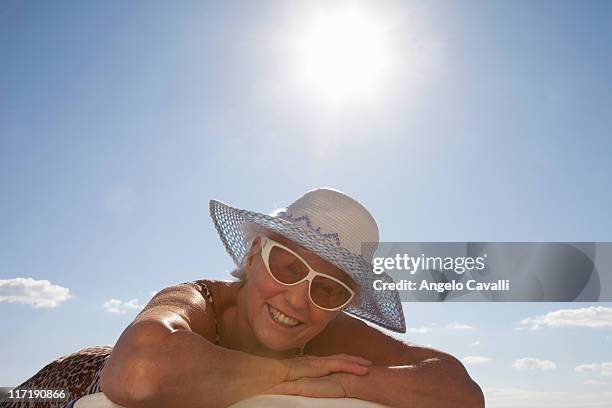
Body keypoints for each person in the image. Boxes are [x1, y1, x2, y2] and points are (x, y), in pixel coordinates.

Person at [1, 188, 484, 408]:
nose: (299, 300)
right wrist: (290, 374)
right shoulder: (199, 299)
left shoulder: (327, 325)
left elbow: (461, 391)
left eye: (329, 288)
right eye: (288, 266)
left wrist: (344, 384)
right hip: (61, 386)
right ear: (254, 257)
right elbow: (138, 372)